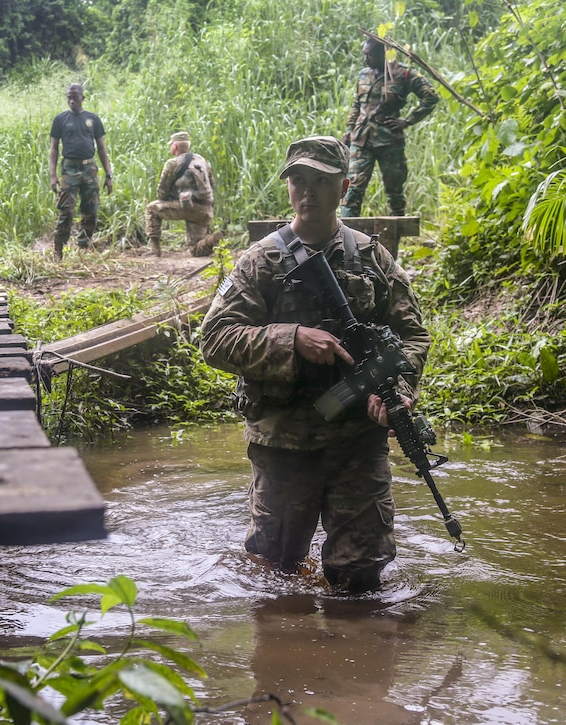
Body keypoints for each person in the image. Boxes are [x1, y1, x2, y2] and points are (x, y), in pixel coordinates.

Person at [199, 135, 431, 593]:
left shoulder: (372, 257)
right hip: (283, 445)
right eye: (298, 181)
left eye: (321, 182)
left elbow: (412, 335)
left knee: (361, 577)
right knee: (272, 574)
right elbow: (215, 339)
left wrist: (398, 389)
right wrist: (291, 339)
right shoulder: (260, 262)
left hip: (357, 444)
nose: (307, 192)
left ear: (344, 188)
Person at [341, 36, 438, 218]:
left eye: (369, 55)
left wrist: (408, 121)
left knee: (395, 191)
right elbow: (357, 104)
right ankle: (345, 237)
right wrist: (349, 130)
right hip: (361, 139)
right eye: (364, 55)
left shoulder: (404, 74)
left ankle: (394, 238)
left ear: (382, 54)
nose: (365, 59)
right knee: (352, 190)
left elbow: (431, 97)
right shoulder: (364, 75)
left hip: (389, 141)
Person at [49, 83, 113, 260]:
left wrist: (108, 175)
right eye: (68, 97)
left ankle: (83, 247)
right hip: (69, 169)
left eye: (75, 97)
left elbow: (101, 148)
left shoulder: (93, 119)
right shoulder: (60, 119)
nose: (71, 101)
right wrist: (53, 175)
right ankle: (58, 250)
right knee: (66, 211)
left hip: (89, 169)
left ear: (82, 98)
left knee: (90, 210)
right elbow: (54, 148)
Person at [145, 131, 216, 257]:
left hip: (186, 207)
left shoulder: (172, 163)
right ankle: (212, 240)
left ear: (175, 146)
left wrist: (171, 199)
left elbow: (162, 192)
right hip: (205, 210)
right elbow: (212, 184)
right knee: (196, 249)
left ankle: (155, 249)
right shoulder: (201, 160)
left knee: (151, 209)